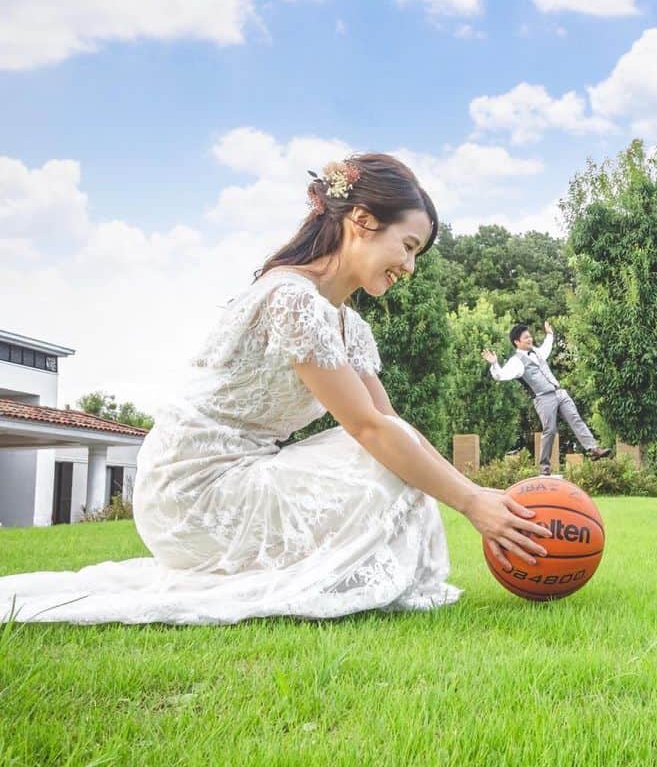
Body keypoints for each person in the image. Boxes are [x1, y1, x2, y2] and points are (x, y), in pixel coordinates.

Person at [0, 154, 550, 625]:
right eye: (406, 246)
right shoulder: (291, 298)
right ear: (361, 220)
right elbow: (366, 429)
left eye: (416, 254)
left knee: (394, 453)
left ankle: (368, 579)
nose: (409, 266)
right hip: (192, 490)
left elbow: (390, 426)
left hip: (250, 472)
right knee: (378, 454)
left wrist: (473, 497)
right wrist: (472, 502)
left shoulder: (349, 327)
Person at [482, 322, 611, 476]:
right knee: (550, 430)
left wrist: (549, 334)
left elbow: (546, 348)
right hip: (543, 398)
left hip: (559, 392)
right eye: (526, 338)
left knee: (576, 419)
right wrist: (495, 364)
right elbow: (501, 375)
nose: (530, 339)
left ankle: (593, 449)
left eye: (530, 336)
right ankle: (544, 467)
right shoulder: (516, 361)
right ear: (517, 342)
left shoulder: (536, 352)